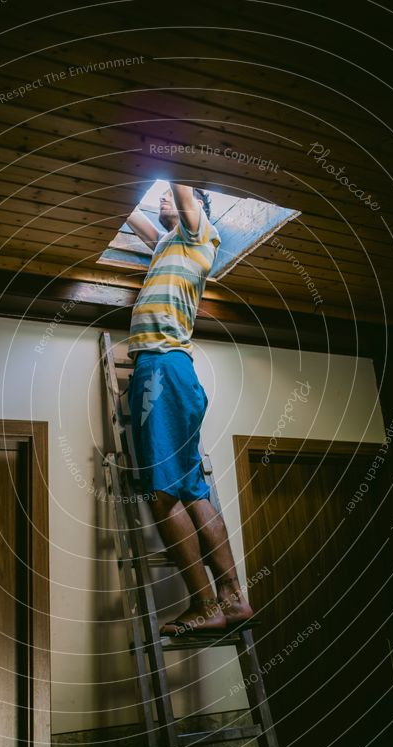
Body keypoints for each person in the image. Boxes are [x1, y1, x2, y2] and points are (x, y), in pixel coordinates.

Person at [126, 183, 255, 636]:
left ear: (196, 208)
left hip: (162, 366)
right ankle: (233, 600)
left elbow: (182, 188)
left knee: (162, 494)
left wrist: (165, 137)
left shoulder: (199, 236)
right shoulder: (166, 244)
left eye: (170, 195)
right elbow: (128, 207)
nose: (161, 199)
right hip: (168, 370)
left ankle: (205, 606)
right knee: (190, 490)